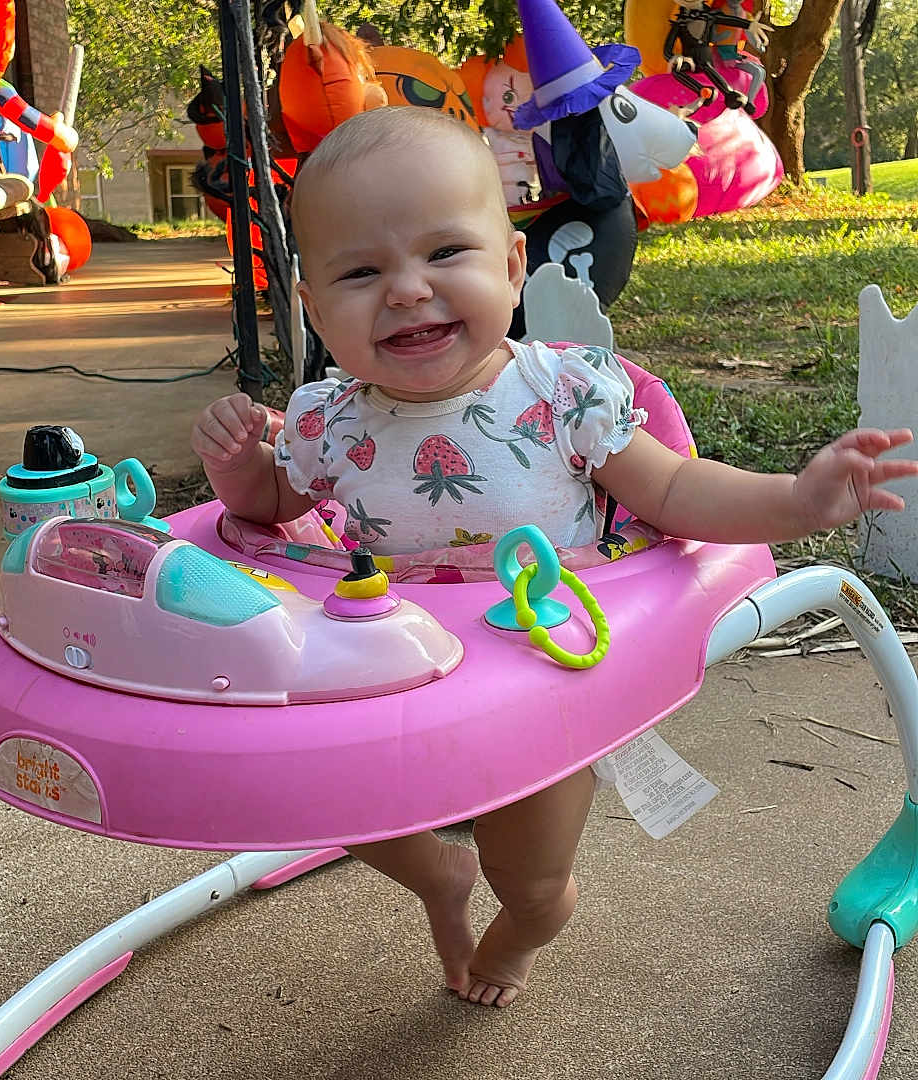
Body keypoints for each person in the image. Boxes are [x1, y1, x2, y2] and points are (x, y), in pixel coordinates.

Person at [191, 105, 918, 1008]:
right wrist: (239, 469)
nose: (409, 290)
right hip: (391, 665)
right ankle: (435, 877)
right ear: (313, 310)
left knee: (532, 881)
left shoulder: (560, 394)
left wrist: (796, 500)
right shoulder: (325, 423)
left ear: (510, 266)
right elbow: (269, 511)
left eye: (443, 254)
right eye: (363, 271)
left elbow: (677, 493)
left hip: (535, 666)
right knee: (338, 805)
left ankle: (512, 937)